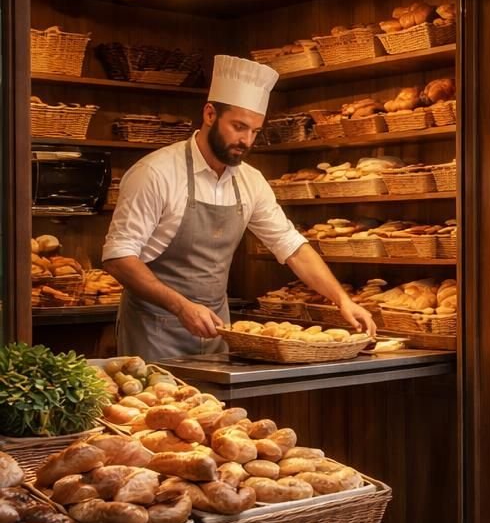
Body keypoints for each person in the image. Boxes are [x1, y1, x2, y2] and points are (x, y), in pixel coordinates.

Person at [104, 55, 376, 359]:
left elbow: (292, 247)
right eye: (238, 127)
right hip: (154, 331)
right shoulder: (155, 173)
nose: (246, 140)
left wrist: (342, 300)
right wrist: (181, 306)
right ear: (209, 114)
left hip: (217, 328)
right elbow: (118, 257)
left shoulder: (251, 181)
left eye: (255, 132)